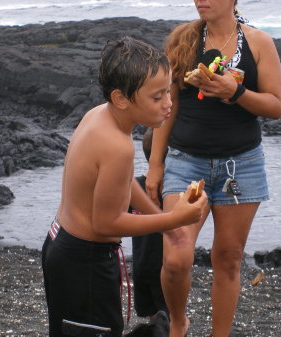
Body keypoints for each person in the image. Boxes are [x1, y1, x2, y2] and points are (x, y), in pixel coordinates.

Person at [41, 36, 208, 337]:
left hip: (61, 244)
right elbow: (105, 222)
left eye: (168, 92)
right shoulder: (118, 147)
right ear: (121, 98)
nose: (169, 104)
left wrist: (162, 223)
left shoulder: (100, 116)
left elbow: (122, 183)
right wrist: (177, 218)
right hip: (86, 261)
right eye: (156, 98)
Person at [145, 0, 281, 336]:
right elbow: (169, 105)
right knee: (177, 259)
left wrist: (234, 91)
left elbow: (275, 106)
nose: (201, 0)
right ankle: (179, 322)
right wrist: (154, 166)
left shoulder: (259, 43)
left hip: (241, 164)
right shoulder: (183, 41)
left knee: (229, 258)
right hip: (185, 161)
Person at [129, 128, 168, 319]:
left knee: (155, 316)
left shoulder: (134, 186)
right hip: (161, 267)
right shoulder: (174, 191)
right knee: (168, 316)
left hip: (140, 264)